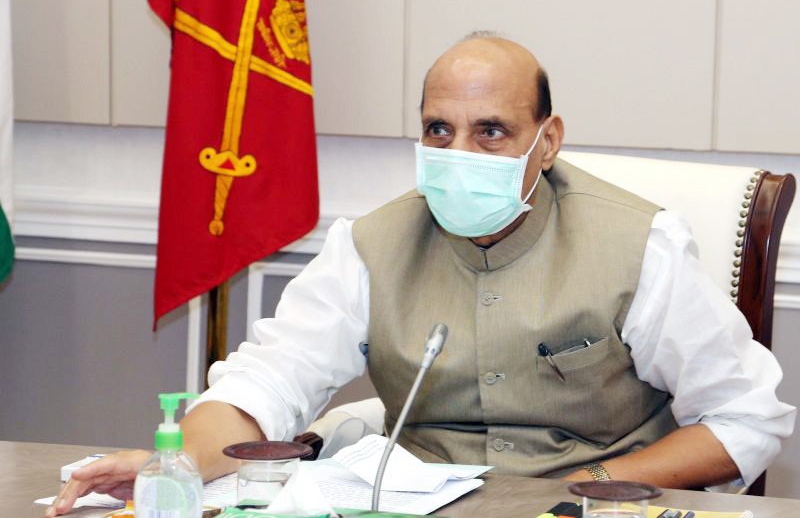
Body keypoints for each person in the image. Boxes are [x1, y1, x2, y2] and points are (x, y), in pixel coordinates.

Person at [48, 34, 795, 516]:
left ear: (548, 140)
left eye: (491, 131)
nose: (458, 152)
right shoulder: (372, 243)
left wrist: (596, 485)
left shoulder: (640, 242)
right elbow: (266, 385)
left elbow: (746, 418)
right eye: (439, 129)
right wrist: (165, 466)